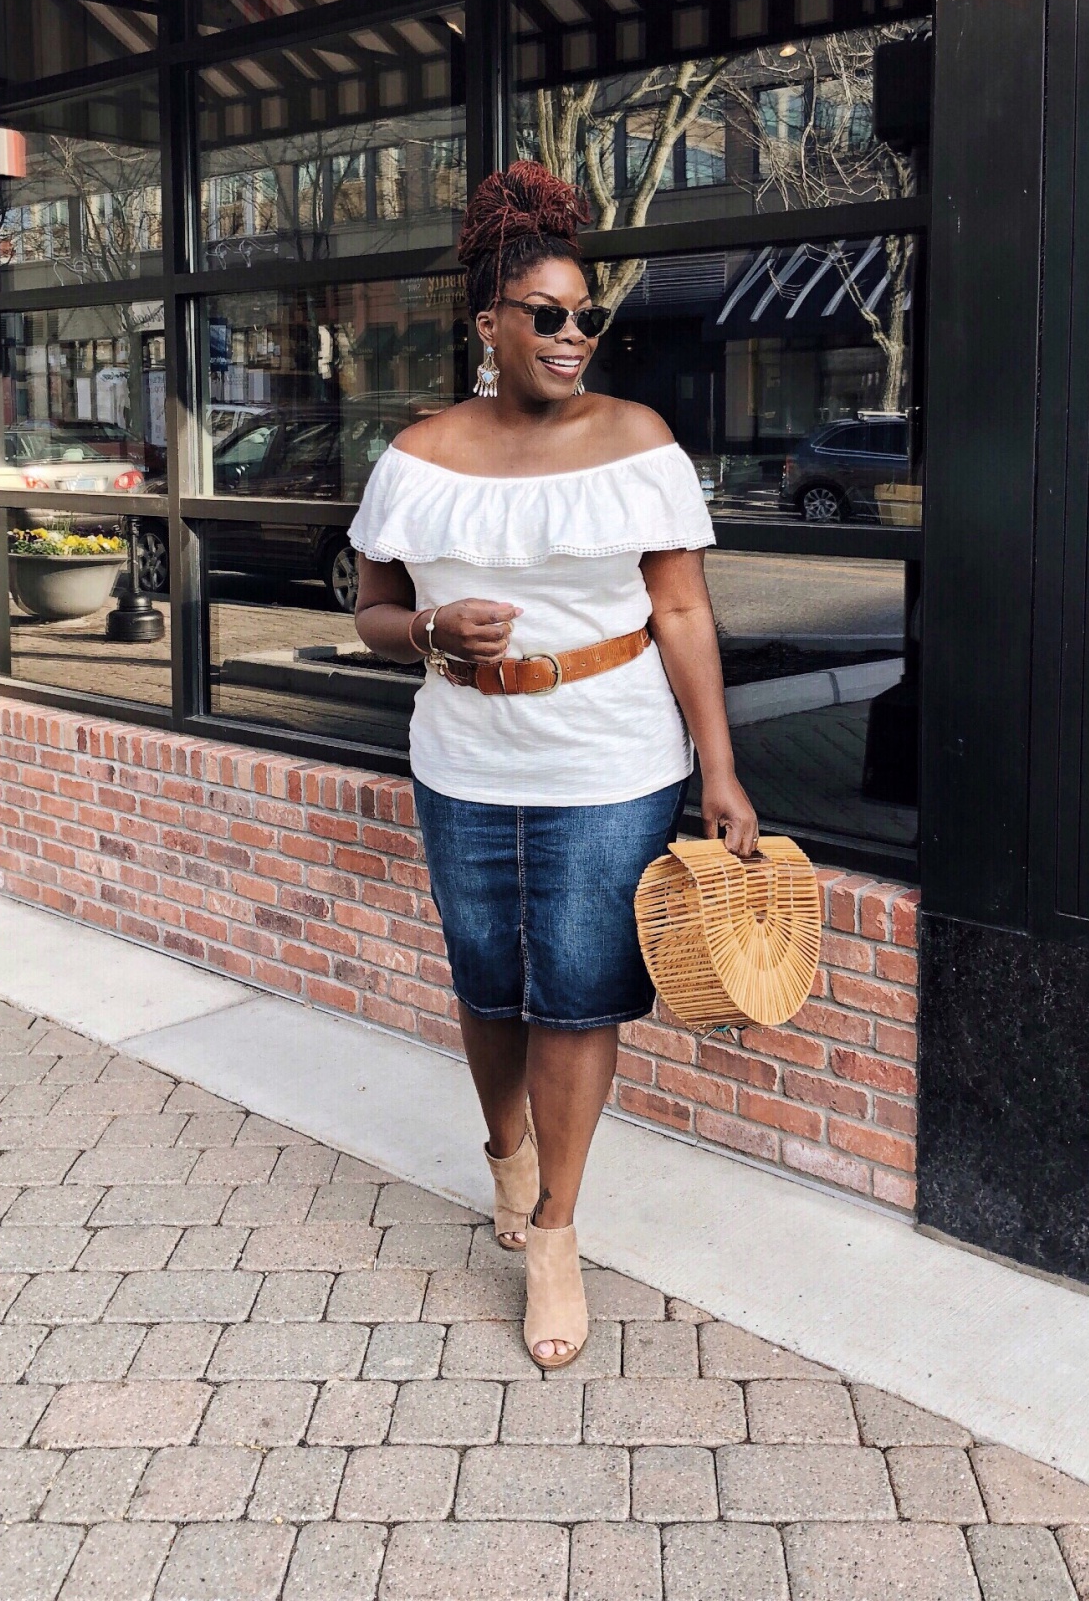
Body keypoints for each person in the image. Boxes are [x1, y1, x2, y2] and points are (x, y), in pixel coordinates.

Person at [350, 161, 759, 1368]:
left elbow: (681, 614)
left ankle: (555, 1229)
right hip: (465, 754)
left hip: (612, 755)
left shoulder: (641, 444)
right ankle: (503, 1152)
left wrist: (719, 768)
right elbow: (372, 611)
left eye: (587, 315)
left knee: (577, 992)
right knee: (486, 982)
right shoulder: (415, 458)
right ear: (489, 324)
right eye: (546, 313)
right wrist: (431, 631)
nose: (573, 334)